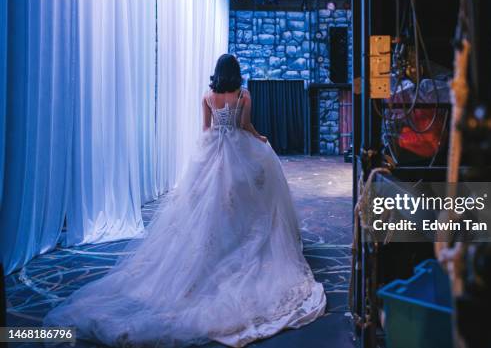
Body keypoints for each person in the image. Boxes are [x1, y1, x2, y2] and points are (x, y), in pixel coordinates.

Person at [44, 54, 326, 347]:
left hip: (213, 149)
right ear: (236, 72)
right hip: (237, 149)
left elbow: (206, 130)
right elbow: (244, 126)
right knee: (248, 195)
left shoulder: (208, 95)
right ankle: (240, 241)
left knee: (210, 203)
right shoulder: (243, 94)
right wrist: (261, 137)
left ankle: (215, 248)